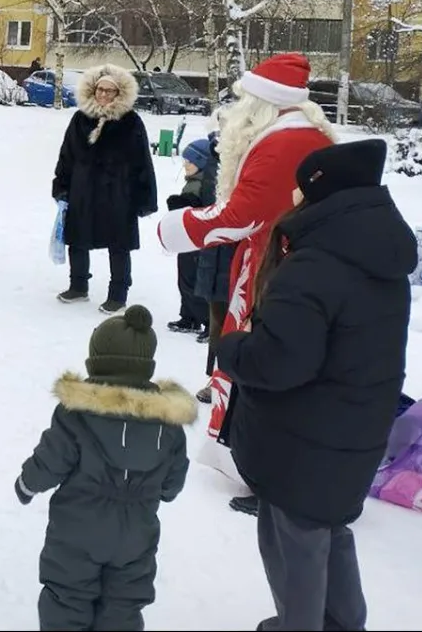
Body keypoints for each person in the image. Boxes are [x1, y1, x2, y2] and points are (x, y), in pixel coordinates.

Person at [216, 139, 416, 632]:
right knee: (330, 529)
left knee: (294, 546)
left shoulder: (313, 267)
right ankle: (343, 623)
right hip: (355, 433)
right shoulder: (380, 256)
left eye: (301, 192)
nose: (295, 202)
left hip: (303, 442)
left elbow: (280, 362)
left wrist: (231, 347)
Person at [157, 53, 334, 515]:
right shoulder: (308, 134)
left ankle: (267, 471)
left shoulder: (281, 144)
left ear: (261, 104)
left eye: (243, 100)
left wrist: (175, 229)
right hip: (291, 265)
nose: (235, 112)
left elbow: (241, 216)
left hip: (273, 272)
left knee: (263, 365)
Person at [14, 305, 195, 631]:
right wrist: (162, 491)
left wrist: (27, 484)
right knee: (124, 602)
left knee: (67, 595)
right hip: (137, 532)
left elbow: (52, 458)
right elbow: (174, 478)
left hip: (78, 528)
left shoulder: (77, 412)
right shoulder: (168, 422)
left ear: (97, 361)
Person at [53, 63, 157, 314]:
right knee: (77, 238)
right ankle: (78, 286)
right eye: (100, 89)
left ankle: (118, 294)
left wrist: (144, 197)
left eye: (109, 91)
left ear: (119, 93)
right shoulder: (80, 119)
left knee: (118, 244)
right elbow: (67, 155)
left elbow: (142, 161)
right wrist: (62, 185)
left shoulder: (130, 121)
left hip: (118, 193)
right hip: (83, 190)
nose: (103, 94)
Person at [193, 130, 237, 401]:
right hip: (217, 249)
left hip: (250, 249)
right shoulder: (217, 153)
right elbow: (210, 200)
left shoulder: (265, 151)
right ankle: (218, 378)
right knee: (219, 316)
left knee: (246, 318)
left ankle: (237, 380)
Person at [165, 138, 210, 336]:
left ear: (201, 163)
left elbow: (201, 209)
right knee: (184, 278)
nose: (185, 164)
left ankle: (209, 322)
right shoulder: (193, 181)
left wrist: (184, 204)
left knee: (196, 281)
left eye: (189, 161)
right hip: (187, 240)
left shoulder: (205, 184)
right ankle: (189, 317)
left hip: (198, 242)